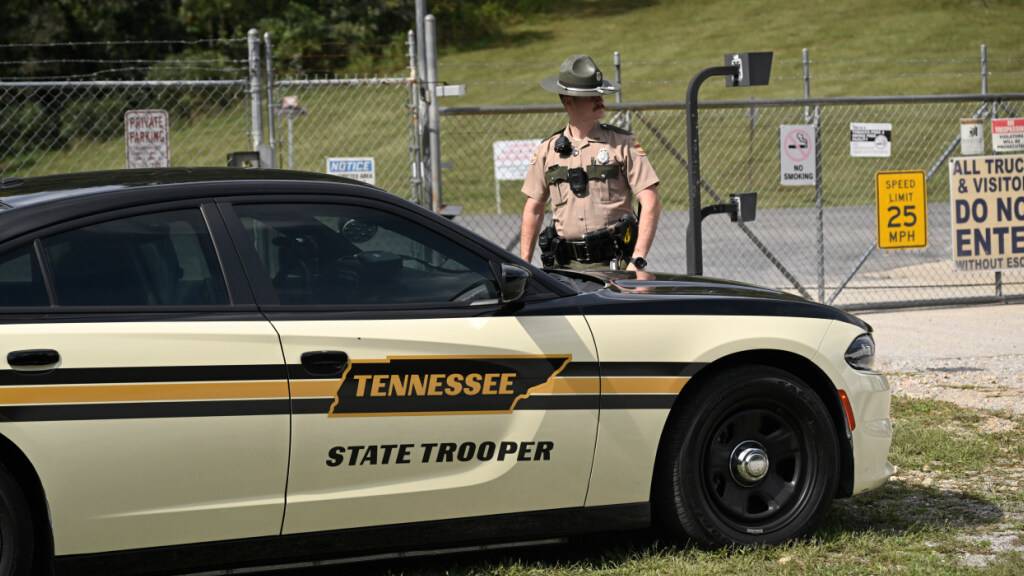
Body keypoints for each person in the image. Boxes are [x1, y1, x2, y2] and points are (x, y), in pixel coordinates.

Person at [520, 54, 661, 274]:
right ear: (568, 100)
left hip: (615, 265)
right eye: (590, 96)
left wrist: (638, 259)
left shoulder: (621, 144)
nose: (599, 100)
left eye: (599, 94)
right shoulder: (547, 151)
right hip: (564, 268)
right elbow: (534, 209)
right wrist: (524, 265)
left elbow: (650, 199)